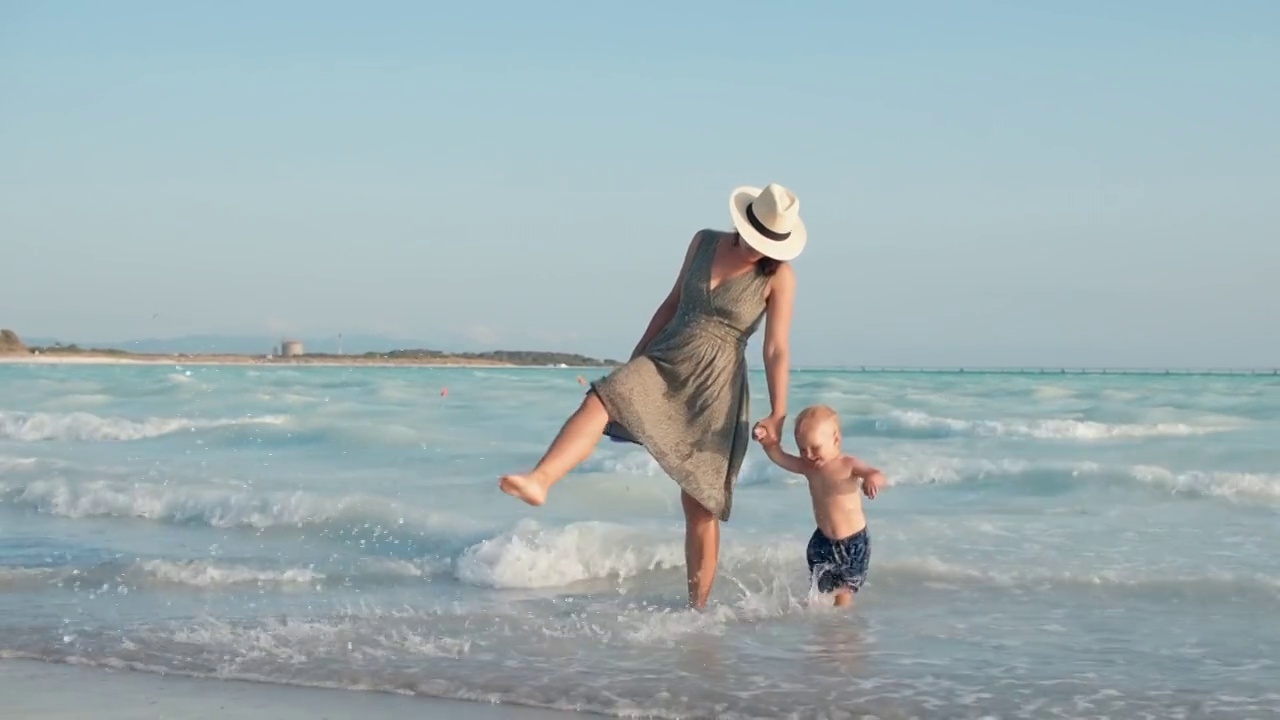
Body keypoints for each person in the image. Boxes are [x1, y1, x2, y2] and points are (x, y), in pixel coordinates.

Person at [499, 183, 807, 609]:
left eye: (769, 243)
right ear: (743, 223)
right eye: (757, 238)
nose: (760, 249)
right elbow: (671, 304)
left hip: (714, 385)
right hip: (666, 354)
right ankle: (540, 480)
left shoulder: (779, 277)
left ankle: (697, 612)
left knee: (700, 504)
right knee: (603, 397)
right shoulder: (704, 242)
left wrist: (779, 412)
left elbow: (776, 348)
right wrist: (636, 356)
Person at [753, 404, 887, 608]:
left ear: (836, 440)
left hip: (852, 541)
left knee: (844, 589)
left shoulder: (847, 465)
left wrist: (871, 480)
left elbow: (876, 473)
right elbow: (782, 459)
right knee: (820, 587)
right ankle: (818, 617)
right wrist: (768, 444)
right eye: (802, 450)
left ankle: (841, 628)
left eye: (815, 448)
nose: (808, 455)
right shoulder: (809, 467)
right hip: (822, 539)